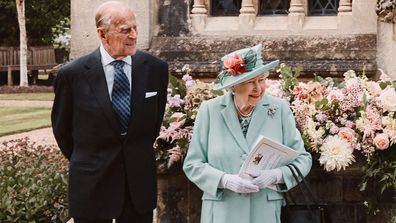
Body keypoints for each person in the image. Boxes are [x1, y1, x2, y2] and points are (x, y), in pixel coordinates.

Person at [51, 1, 168, 222]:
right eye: (125, 30)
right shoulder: (72, 75)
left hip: (138, 187)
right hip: (91, 185)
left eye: (135, 28)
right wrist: (92, 159)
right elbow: (62, 132)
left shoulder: (156, 69)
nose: (133, 35)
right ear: (102, 34)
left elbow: (154, 124)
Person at [183, 44, 312, 223]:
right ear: (233, 87)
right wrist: (224, 180)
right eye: (250, 81)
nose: (258, 88)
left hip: (265, 213)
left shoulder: (279, 109)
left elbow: (303, 159)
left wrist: (276, 175)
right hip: (221, 213)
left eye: (261, 80)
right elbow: (193, 164)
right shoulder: (209, 111)